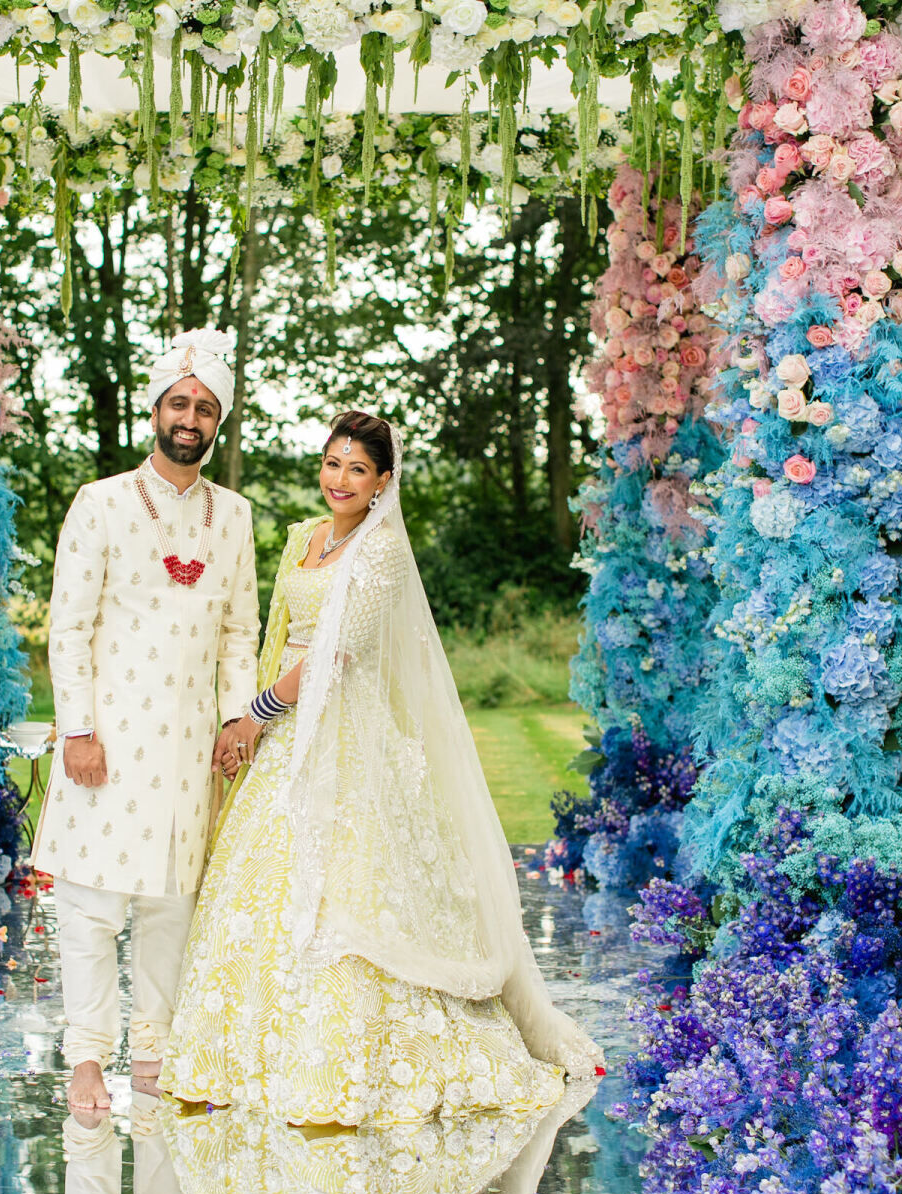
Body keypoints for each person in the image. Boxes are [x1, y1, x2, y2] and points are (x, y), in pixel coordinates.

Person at [160, 411, 602, 1126]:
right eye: (333, 463)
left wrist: (256, 712)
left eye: (357, 469)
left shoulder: (384, 552)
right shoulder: (304, 537)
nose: (340, 480)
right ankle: (236, 1058)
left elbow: (337, 654)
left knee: (352, 889)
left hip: (345, 733)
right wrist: (251, 725)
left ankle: (347, 1062)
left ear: (383, 481)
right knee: (260, 885)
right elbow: (279, 628)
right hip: (283, 732)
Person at [33, 328, 260, 1110]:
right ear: (155, 409)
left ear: (217, 422)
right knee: (93, 904)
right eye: (179, 403)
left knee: (173, 901)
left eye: (205, 407)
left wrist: (239, 719)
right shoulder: (99, 504)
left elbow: (240, 631)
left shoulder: (233, 516)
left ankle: (156, 1045)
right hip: (113, 740)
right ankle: (89, 1056)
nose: (190, 417)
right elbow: (68, 626)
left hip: (193, 745)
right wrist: (79, 730)